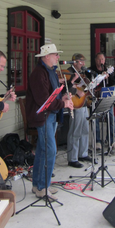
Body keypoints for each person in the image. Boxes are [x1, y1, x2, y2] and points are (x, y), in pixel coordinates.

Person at [26, 43, 73, 201]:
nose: (58, 57)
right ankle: (42, 187)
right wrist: (63, 104)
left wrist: (63, 98)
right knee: (50, 150)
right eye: (55, 54)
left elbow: (53, 95)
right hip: (43, 117)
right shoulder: (39, 74)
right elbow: (43, 100)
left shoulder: (50, 71)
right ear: (46, 57)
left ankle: (38, 185)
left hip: (50, 115)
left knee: (42, 150)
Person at [66, 54, 93, 168]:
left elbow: (84, 86)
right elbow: (66, 86)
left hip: (83, 103)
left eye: (83, 61)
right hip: (75, 103)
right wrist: (76, 91)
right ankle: (72, 158)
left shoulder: (83, 73)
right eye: (81, 61)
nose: (83, 64)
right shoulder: (68, 72)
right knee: (75, 130)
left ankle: (83, 153)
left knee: (85, 129)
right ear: (74, 62)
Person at [88, 52, 115, 150]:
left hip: (107, 97)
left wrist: (110, 76)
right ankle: (97, 141)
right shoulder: (90, 70)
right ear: (95, 60)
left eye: (103, 60)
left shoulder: (108, 70)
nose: (101, 61)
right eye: (99, 59)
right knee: (96, 119)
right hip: (96, 98)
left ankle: (112, 140)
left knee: (111, 118)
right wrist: (100, 77)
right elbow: (90, 85)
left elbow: (113, 83)